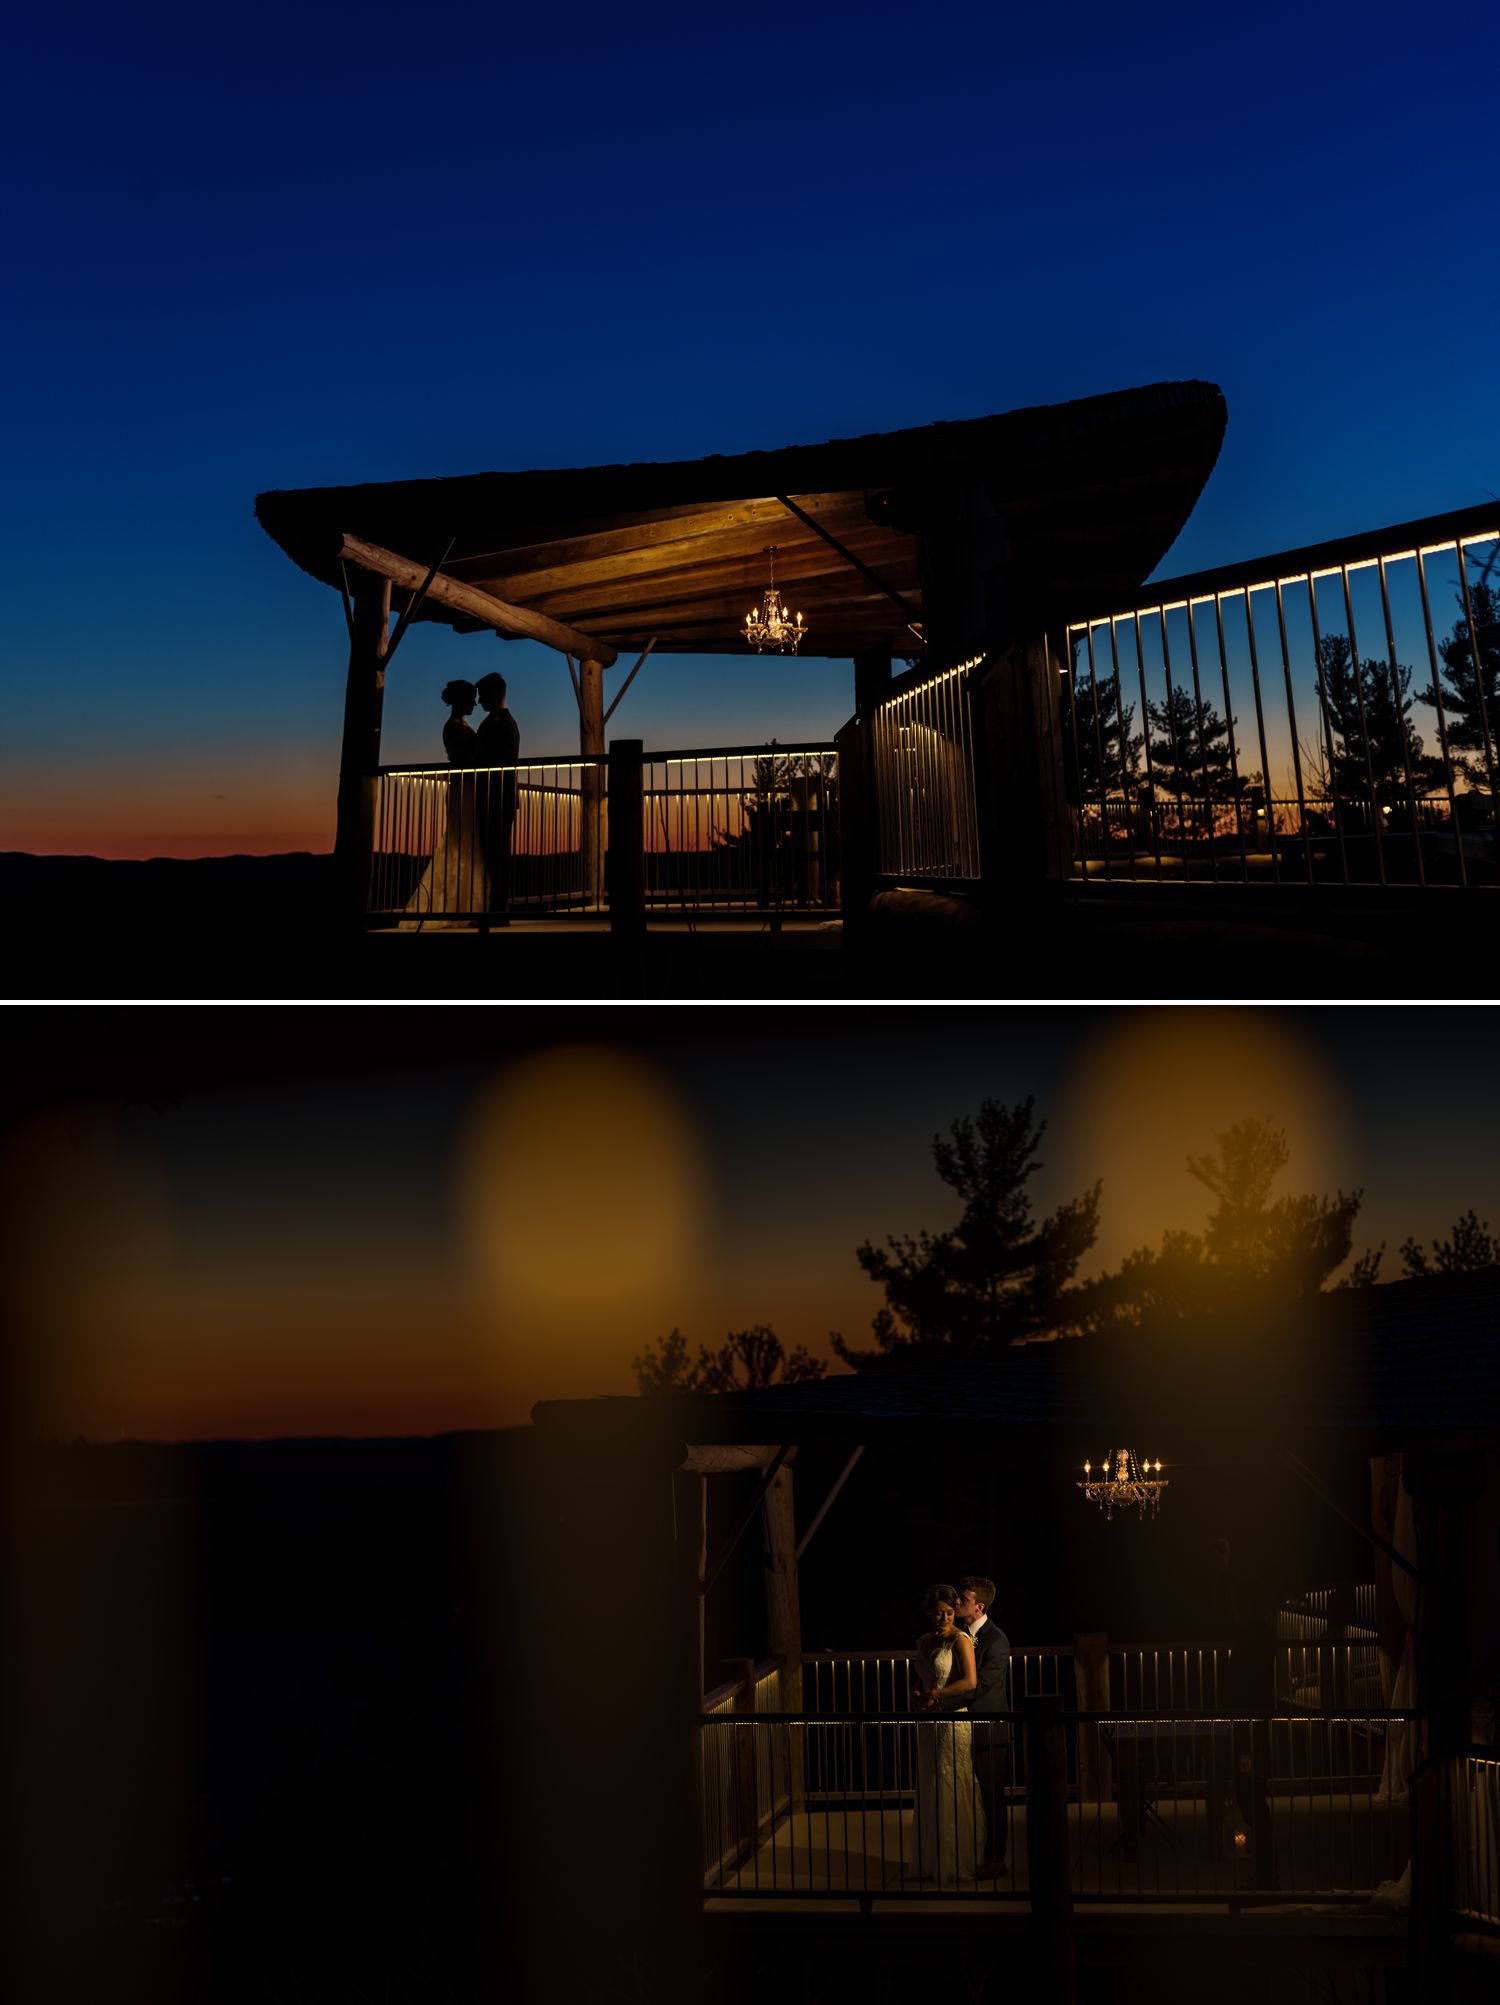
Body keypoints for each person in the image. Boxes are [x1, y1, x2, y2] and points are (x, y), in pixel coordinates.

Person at [909, 1583, 984, 1887]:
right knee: (929, 1781)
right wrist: (916, 1692)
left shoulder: (960, 1640)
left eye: (950, 1613)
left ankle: (953, 1860)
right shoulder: (925, 1641)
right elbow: (922, 1676)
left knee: (949, 1782)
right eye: (939, 1614)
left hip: (952, 1722)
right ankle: (930, 1858)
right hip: (927, 1722)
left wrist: (936, 1694)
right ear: (930, 1613)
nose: (945, 1619)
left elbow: (970, 1682)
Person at [404, 679, 485, 919]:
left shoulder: (461, 724)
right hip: (463, 789)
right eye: (471, 699)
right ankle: (454, 904)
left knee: (471, 842)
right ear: (461, 701)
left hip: (467, 788)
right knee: (461, 840)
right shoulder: (453, 727)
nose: (474, 704)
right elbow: (468, 758)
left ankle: (467, 902)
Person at [956, 1574, 1012, 1879]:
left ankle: (996, 1859)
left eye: (963, 1600)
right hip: (965, 1727)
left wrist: (944, 1700)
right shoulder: (960, 1635)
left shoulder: (996, 1640)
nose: (957, 1603)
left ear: (978, 1607)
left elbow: (985, 1686)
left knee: (992, 1797)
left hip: (989, 1728)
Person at [474, 669, 520, 928]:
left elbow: (481, 759)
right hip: (501, 796)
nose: (479, 701)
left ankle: (498, 909)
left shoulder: (498, 724)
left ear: (494, 695)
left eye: (482, 696)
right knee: (496, 853)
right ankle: (497, 908)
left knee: (496, 854)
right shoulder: (505, 722)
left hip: (496, 796)